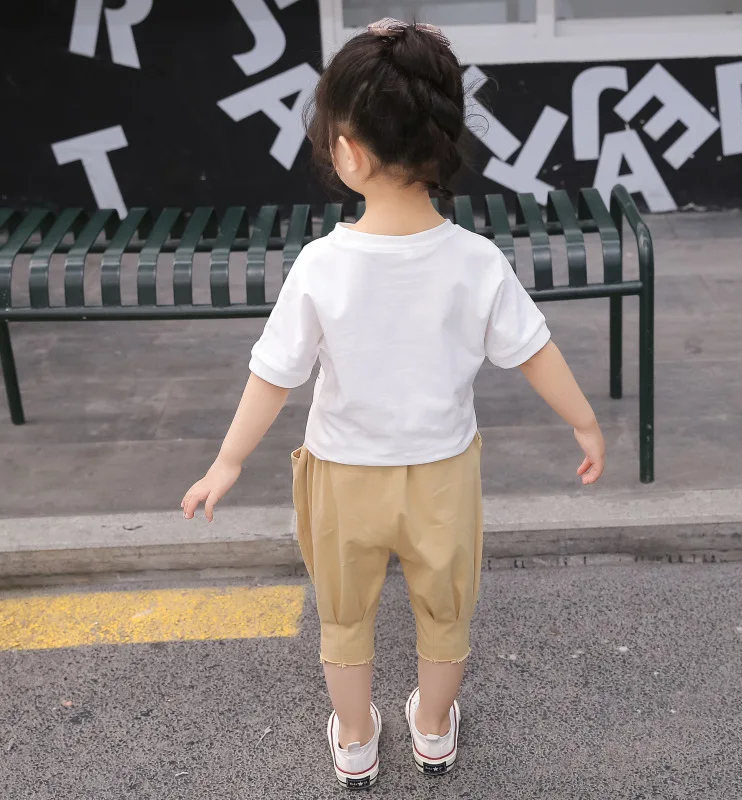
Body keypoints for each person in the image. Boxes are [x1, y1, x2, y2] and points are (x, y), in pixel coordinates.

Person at [181, 17, 605, 790]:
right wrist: (584, 421)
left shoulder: (322, 265)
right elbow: (535, 351)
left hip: (343, 477)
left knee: (344, 618)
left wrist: (227, 462)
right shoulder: (476, 261)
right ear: (444, 144)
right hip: (441, 476)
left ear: (346, 152)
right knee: (446, 614)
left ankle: (355, 740)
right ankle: (433, 730)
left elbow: (274, 375)